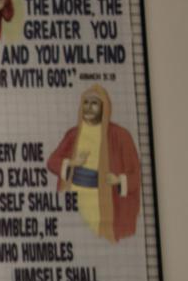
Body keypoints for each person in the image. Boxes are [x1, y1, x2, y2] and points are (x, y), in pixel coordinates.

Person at [48, 83, 143, 243]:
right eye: (86, 103)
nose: (89, 108)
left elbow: (136, 175)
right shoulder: (73, 134)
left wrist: (119, 180)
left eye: (94, 103)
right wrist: (72, 162)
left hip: (104, 202)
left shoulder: (120, 135)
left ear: (104, 107)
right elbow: (52, 162)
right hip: (76, 200)